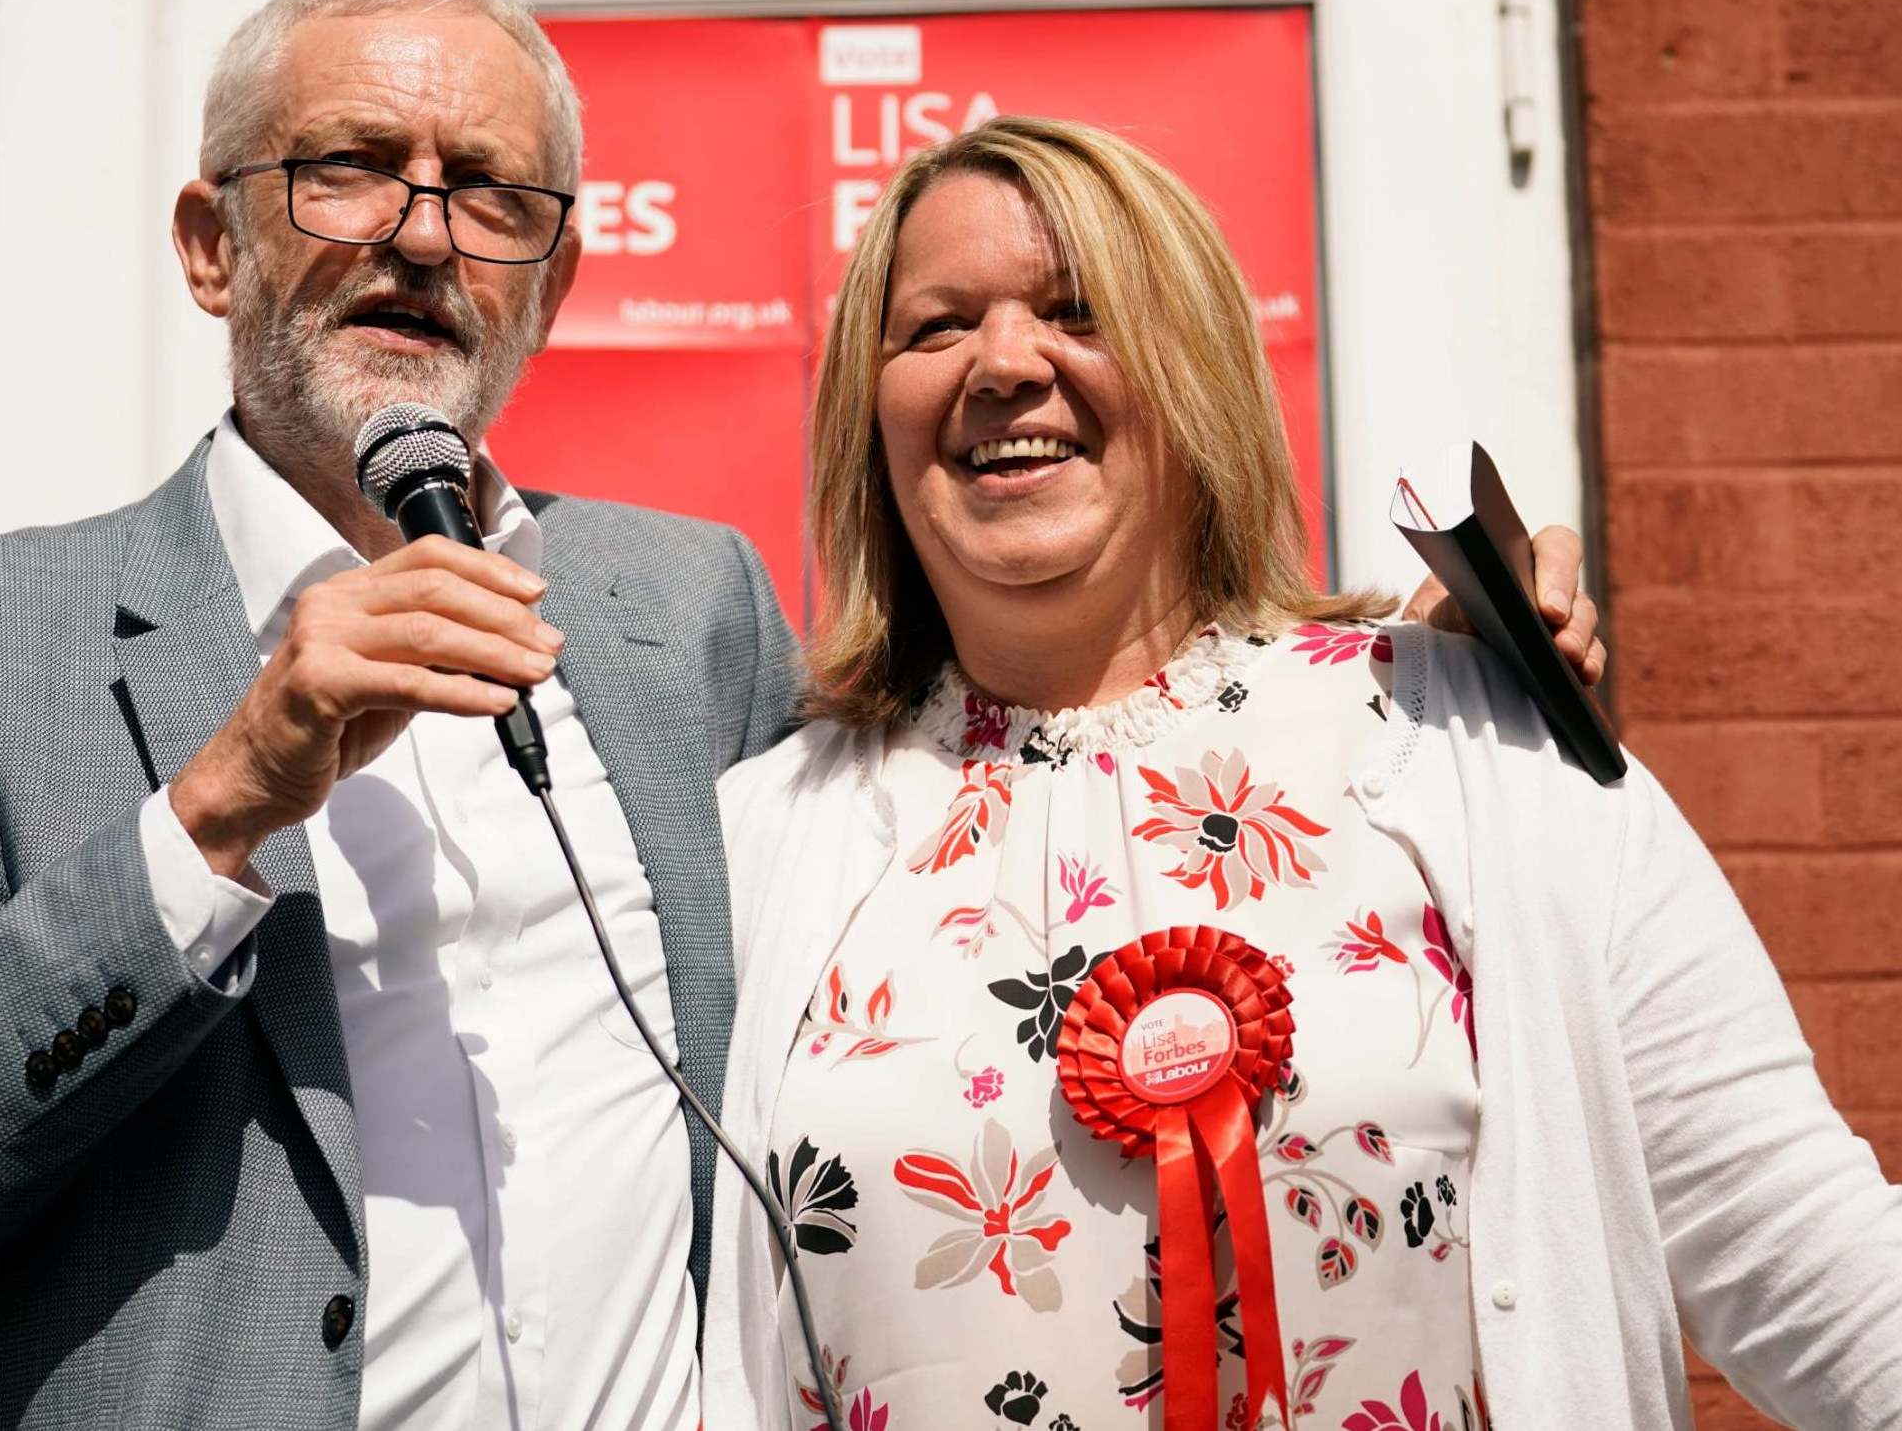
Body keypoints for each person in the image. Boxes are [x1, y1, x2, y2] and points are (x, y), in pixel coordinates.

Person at [0, 0, 1597, 1431]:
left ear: (554, 274)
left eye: (488, 192)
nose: (423, 232)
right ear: (213, 240)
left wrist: (1394, 658)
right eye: (352, 167)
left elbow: (1014, 759)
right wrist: (216, 808)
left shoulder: (677, 606)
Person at [703, 117, 1902, 1431]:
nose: (1002, 362)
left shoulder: (1470, 747)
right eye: (933, 327)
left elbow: (1806, 1255)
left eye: (1077, 309)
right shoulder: (765, 842)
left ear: (1195, 365)